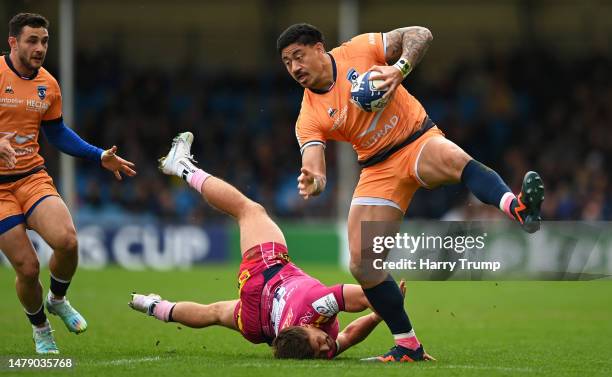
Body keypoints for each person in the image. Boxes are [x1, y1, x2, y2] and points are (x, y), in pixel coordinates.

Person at [277, 23, 544, 361]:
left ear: (318, 48)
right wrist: (313, 180)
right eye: (287, 64)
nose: (295, 68)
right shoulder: (308, 115)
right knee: (362, 263)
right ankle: (408, 345)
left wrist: (397, 70)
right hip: (378, 169)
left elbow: (422, 34)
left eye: (298, 57)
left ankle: (518, 208)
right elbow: (313, 162)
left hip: (416, 139)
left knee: (453, 157)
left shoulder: (359, 49)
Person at [129, 132, 431, 361]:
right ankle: (153, 306)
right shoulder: (314, 349)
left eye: (318, 340)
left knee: (249, 210)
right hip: (258, 325)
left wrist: (387, 302)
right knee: (212, 313)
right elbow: (350, 335)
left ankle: (182, 167)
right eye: (322, 345)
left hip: (266, 272)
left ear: (306, 328)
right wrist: (380, 315)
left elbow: (366, 294)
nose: (326, 343)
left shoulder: (315, 307)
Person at [0, 13, 136, 354]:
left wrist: (98, 154)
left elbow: (57, 132)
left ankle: (57, 299)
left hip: (31, 177)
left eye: (45, 41)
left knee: (68, 241)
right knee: (28, 268)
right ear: (13, 42)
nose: (40, 48)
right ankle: (40, 328)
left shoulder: (48, 84)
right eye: (32, 40)